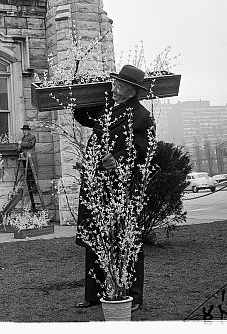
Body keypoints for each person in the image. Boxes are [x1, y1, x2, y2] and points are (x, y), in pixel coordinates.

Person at [73, 65, 155, 310]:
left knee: (127, 240)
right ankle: (94, 295)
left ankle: (133, 297)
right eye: (115, 85)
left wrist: (118, 159)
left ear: (132, 91)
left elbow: (145, 151)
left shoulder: (142, 116)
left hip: (122, 187)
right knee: (94, 237)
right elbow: (84, 118)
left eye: (120, 87)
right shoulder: (107, 107)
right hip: (96, 183)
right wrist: (79, 95)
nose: (115, 89)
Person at [18, 125, 38, 211]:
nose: (24, 131)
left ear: (28, 131)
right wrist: (19, 148)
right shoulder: (23, 137)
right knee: (27, 172)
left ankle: (34, 187)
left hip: (30, 156)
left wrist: (21, 144)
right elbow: (23, 147)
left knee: (32, 172)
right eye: (23, 130)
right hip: (25, 156)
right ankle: (30, 186)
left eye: (26, 130)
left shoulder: (32, 137)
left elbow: (30, 145)